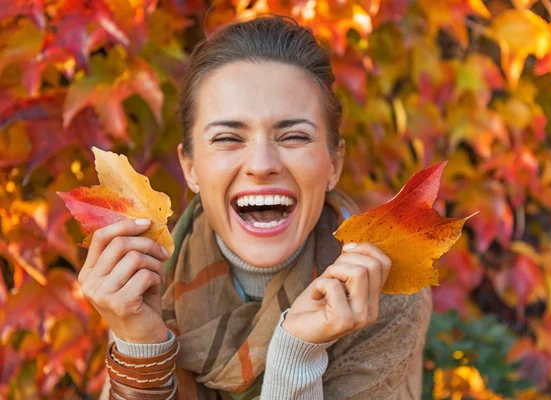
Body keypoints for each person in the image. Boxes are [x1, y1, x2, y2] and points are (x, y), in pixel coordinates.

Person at [83, 15, 432, 400]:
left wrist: (295, 354)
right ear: (190, 168)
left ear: (334, 163)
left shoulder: (383, 293)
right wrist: (140, 347)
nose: (262, 164)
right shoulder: (146, 281)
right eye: (228, 137)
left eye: (295, 136)